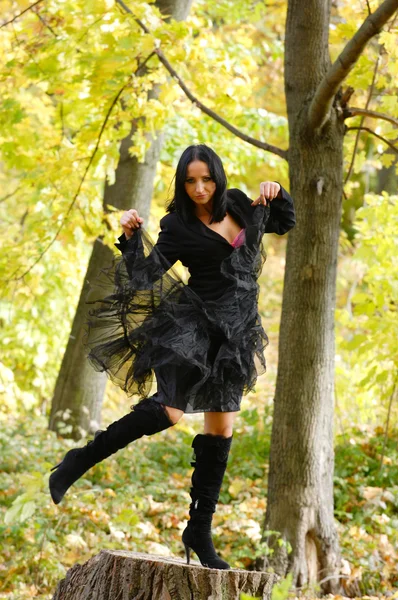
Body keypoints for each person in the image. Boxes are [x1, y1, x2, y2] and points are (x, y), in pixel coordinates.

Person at [49, 144, 295, 570]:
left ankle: (198, 531)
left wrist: (277, 191)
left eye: (206, 179)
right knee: (169, 412)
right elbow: (145, 276)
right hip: (191, 326)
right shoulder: (177, 225)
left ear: (217, 178)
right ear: (182, 183)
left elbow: (285, 221)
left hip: (235, 334)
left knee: (220, 430)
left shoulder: (237, 203)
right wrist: (129, 237)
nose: (199, 188)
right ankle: (77, 460)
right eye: (190, 181)